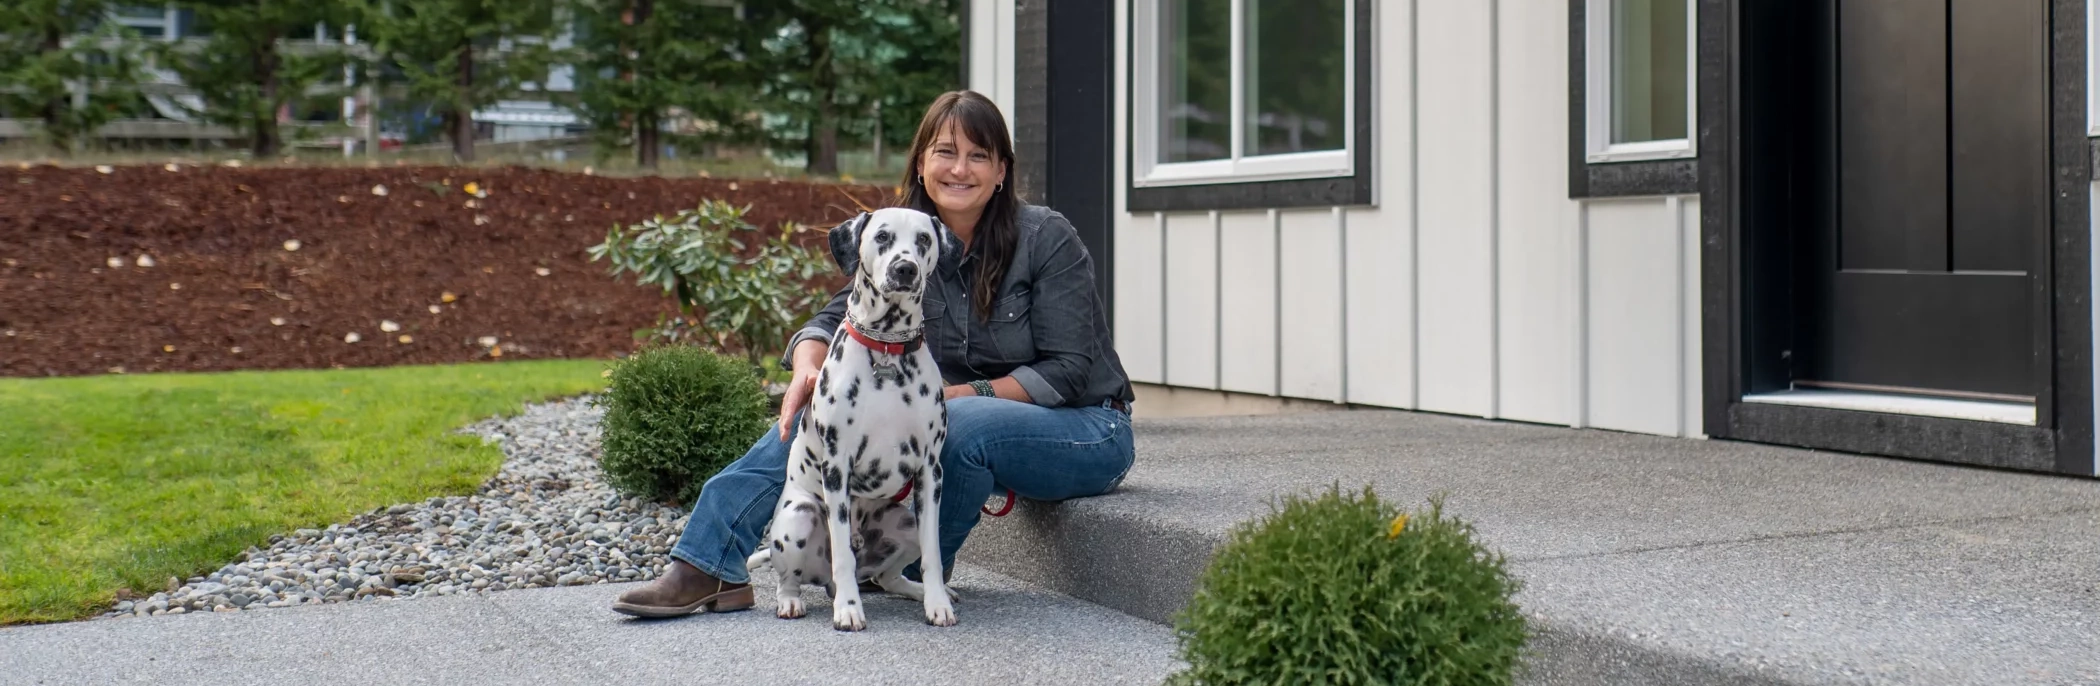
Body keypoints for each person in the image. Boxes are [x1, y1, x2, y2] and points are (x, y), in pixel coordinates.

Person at [611, 90, 1138, 618]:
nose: (960, 168)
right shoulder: (901, 241)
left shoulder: (1046, 238)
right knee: (818, 421)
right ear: (922, 164)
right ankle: (706, 565)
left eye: (978, 155)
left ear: (1002, 170)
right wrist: (808, 370)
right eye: (945, 152)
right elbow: (833, 316)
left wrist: (958, 394)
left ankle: (910, 573)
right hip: (960, 420)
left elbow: (1069, 372)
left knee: (959, 421)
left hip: (1085, 429)